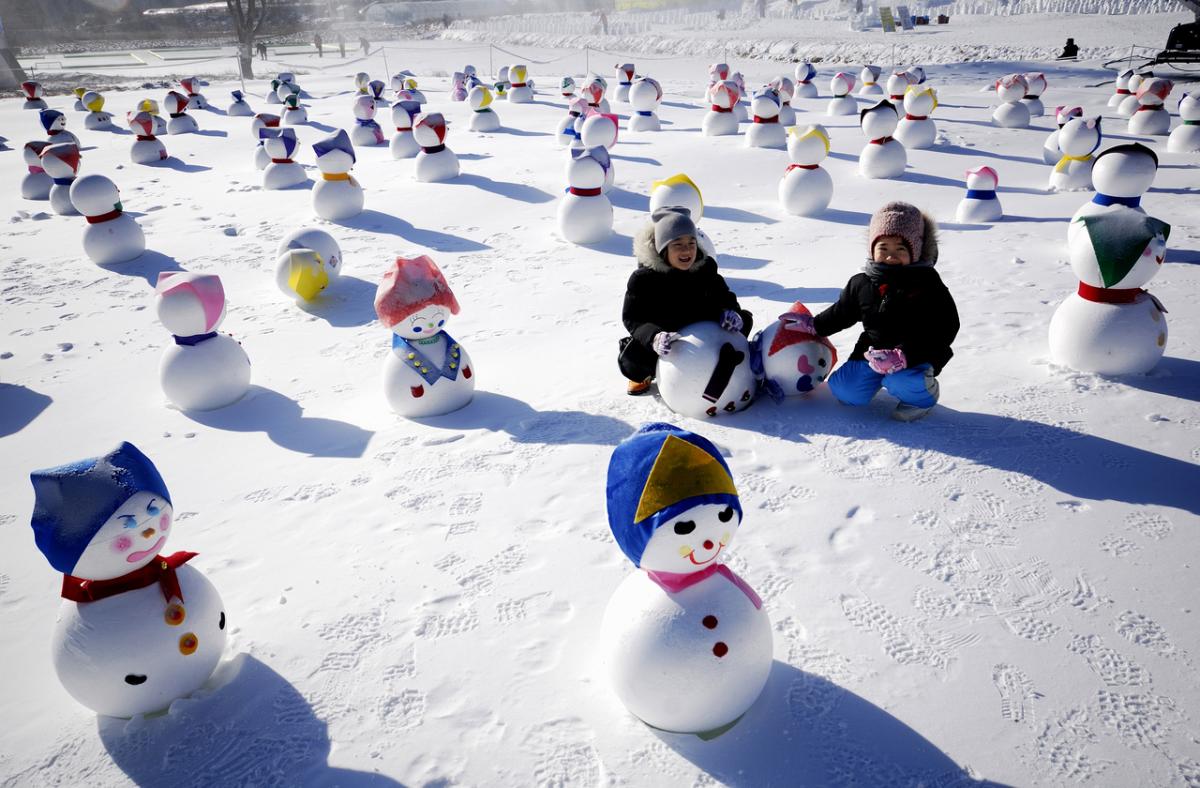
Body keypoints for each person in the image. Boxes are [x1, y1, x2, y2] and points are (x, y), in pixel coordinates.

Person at [804, 201, 958, 421]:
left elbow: (946, 327)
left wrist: (904, 355)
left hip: (915, 357)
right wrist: (812, 325)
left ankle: (922, 397)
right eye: (883, 248)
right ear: (872, 249)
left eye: (900, 249)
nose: (890, 256)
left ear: (915, 251)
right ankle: (875, 380)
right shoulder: (862, 282)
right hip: (873, 352)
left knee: (900, 380)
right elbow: (842, 313)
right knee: (845, 391)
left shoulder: (928, 284)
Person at [619, 207, 754, 396]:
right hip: (668, 336)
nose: (687, 250)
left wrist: (730, 312)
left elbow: (725, 296)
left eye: (691, 243)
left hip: (703, 326)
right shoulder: (644, 279)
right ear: (663, 249)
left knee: (744, 320)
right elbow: (633, 318)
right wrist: (654, 337)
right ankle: (644, 374)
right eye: (678, 244)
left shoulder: (705, 269)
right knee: (635, 356)